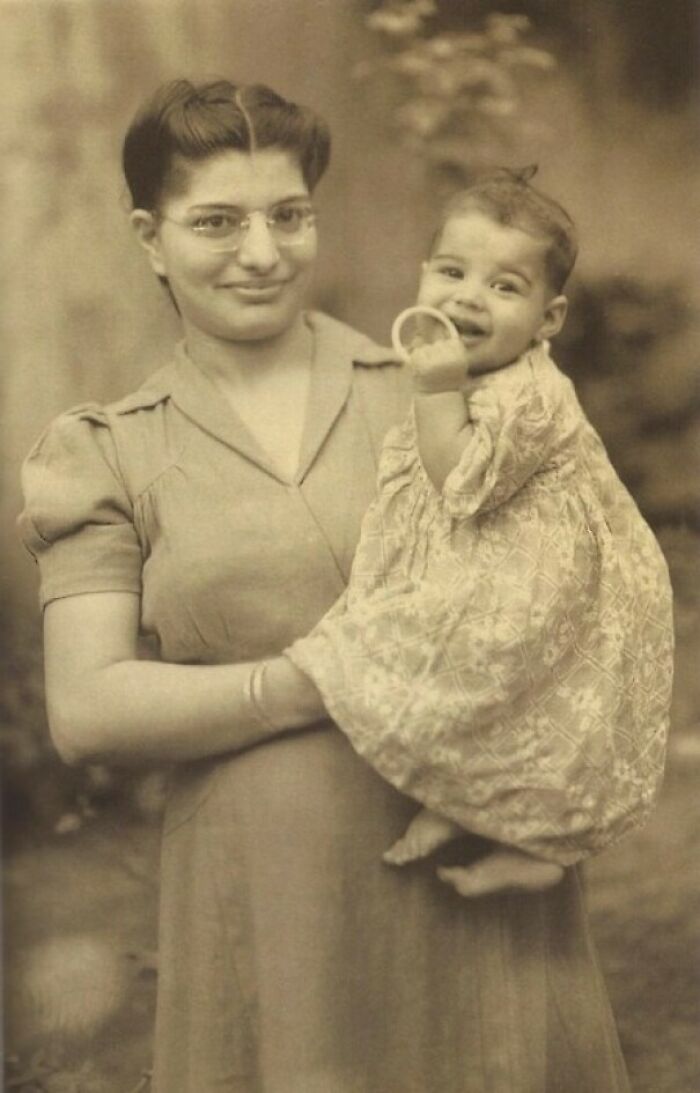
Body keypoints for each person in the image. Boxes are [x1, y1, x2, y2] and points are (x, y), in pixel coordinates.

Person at [19, 79, 638, 1092]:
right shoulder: (106, 450)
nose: (261, 253)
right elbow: (90, 709)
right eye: (217, 221)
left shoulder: (444, 395)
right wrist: (322, 678)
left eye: (289, 215)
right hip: (263, 894)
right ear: (148, 235)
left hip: (471, 870)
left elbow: (575, 593)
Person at [287, 168, 674, 899]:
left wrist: (435, 391)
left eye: (504, 286)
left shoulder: (529, 392)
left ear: (547, 319)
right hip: (505, 553)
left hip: (546, 579)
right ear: (423, 275)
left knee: (481, 663)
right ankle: (465, 803)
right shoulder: (478, 371)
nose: (468, 296)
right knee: (475, 673)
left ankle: (533, 841)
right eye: (453, 271)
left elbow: (460, 479)